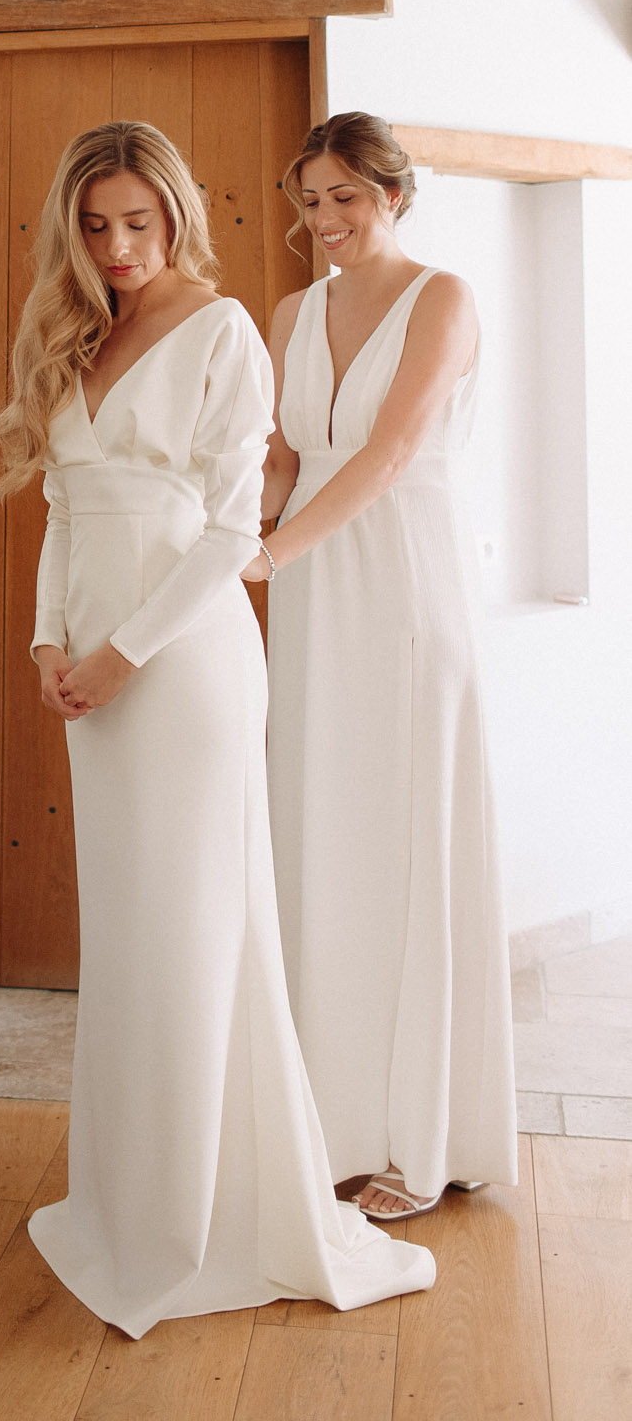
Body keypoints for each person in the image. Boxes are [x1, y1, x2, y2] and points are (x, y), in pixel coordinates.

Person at [0, 119, 434, 1337]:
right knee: (136, 939)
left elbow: (230, 529)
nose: (119, 245)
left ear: (178, 213)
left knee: (194, 932)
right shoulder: (80, 328)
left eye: (139, 221)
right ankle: (131, 1206)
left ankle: (201, 1223)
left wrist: (124, 653)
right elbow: (66, 508)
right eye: (95, 225)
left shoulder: (224, 330)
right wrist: (48, 644)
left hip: (179, 668)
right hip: (91, 671)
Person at [245, 111, 518, 1220]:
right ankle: (330, 1116)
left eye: (345, 198)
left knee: (409, 834)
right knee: (323, 829)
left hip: (404, 579)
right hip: (312, 591)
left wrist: (271, 552)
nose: (324, 222)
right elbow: (281, 454)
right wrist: (227, 532)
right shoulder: (288, 311)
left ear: (394, 196)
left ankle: (422, 1130)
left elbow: (392, 448)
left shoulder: (443, 297)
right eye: (309, 200)